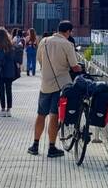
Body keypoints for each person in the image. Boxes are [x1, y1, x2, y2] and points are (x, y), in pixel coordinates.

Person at [28, 20, 82, 158]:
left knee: (41, 114)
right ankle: (51, 147)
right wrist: (80, 69)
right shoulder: (67, 44)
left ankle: (35, 145)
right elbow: (74, 66)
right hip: (61, 85)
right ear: (68, 31)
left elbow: (39, 59)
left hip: (45, 84)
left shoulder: (44, 41)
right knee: (54, 115)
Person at [0, 27, 21, 117]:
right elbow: (14, 58)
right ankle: (9, 110)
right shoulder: (11, 45)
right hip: (9, 71)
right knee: (9, 90)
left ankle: (3, 109)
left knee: (1, 90)